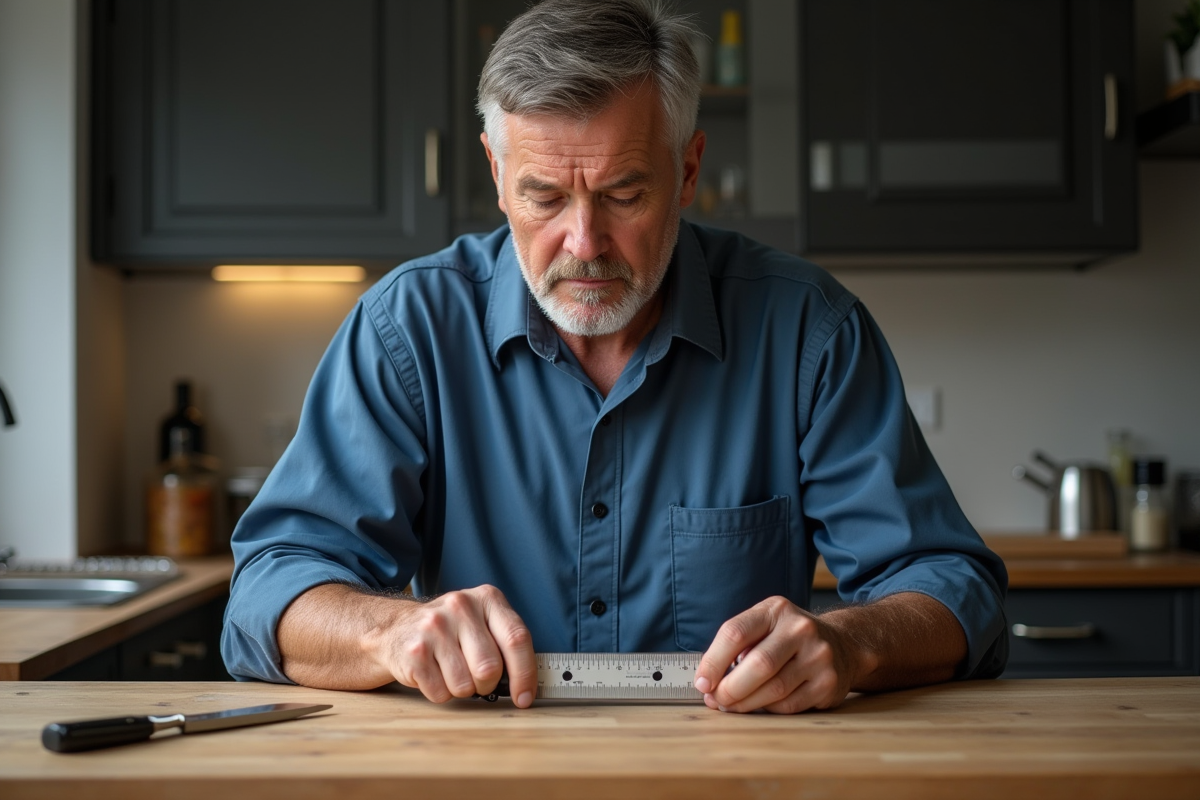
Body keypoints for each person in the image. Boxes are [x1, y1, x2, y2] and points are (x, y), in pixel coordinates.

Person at [222, 0, 1008, 715]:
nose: (585, 243)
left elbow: (953, 589)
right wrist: (389, 633)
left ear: (689, 171)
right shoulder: (408, 330)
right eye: (544, 197)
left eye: (624, 194)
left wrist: (852, 642)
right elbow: (269, 593)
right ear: (497, 177)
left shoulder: (809, 332)